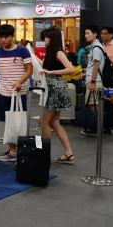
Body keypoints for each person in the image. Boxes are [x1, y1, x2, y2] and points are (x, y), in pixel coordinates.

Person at [0, 24, 32, 162]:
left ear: (12, 36)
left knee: (18, 121)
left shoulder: (22, 51)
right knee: (8, 121)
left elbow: (29, 70)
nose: (3, 40)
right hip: (3, 92)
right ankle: (13, 150)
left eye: (6, 37)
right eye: (0, 38)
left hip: (19, 93)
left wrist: (20, 81)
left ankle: (17, 150)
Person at [35, 28, 75, 164]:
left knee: (45, 122)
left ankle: (44, 154)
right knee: (54, 122)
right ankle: (69, 153)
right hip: (54, 87)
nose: (44, 40)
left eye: (46, 38)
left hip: (55, 88)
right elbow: (45, 67)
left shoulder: (58, 51)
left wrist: (52, 73)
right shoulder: (52, 52)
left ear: (52, 38)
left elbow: (71, 69)